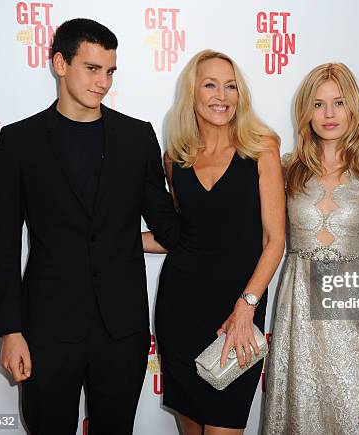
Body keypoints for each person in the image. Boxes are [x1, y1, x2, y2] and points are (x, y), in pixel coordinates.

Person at [0, 18, 179, 434]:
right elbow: (5, 245)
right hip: (46, 329)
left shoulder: (137, 137)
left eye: (110, 71)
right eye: (92, 69)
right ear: (60, 63)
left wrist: (204, 181)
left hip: (122, 332)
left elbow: (169, 227)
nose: (103, 82)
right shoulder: (19, 142)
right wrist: (10, 331)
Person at [142, 49, 285, 434]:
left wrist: (247, 306)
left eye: (230, 86)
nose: (221, 95)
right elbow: (181, 236)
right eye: (210, 85)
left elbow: (275, 240)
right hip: (180, 309)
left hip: (239, 311)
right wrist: (110, 238)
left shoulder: (262, 147)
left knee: (224, 424)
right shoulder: (177, 158)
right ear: (193, 92)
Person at [262, 63, 359, 434]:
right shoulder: (287, 169)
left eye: (339, 102)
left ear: (353, 107)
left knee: (355, 414)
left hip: (354, 313)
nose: (330, 114)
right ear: (306, 112)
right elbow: (267, 236)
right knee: (298, 416)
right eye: (319, 105)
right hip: (297, 310)